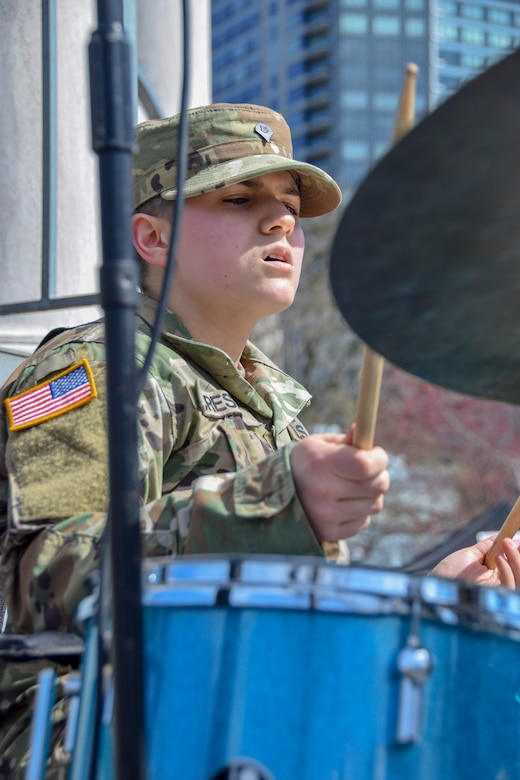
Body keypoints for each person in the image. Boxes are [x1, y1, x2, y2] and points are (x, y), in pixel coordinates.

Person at [0, 103, 518, 778]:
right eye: (240, 198)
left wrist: (437, 591)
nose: (280, 222)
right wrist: (272, 503)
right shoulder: (93, 370)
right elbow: (44, 576)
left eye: (290, 209)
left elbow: (291, 618)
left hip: (249, 723)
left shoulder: (279, 407)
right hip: (101, 730)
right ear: (152, 239)